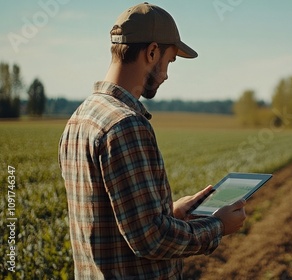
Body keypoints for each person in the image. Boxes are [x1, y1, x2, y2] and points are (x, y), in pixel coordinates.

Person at [58, 3, 246, 279]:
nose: (167, 74)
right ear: (152, 52)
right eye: (169, 61)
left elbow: (113, 224)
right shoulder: (125, 124)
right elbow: (151, 240)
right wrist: (217, 225)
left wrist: (172, 213)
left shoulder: (80, 118)